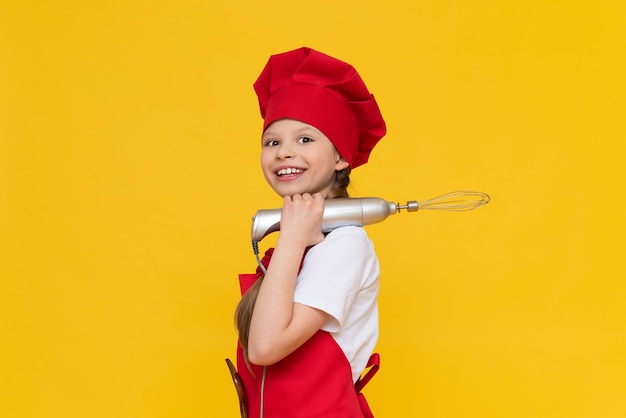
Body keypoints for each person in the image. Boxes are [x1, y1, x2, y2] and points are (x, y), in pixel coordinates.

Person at [232, 46, 386, 418]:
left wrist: (292, 238)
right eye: (273, 142)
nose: (284, 152)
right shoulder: (297, 244)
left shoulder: (344, 244)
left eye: (305, 139)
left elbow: (265, 347)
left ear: (339, 157)